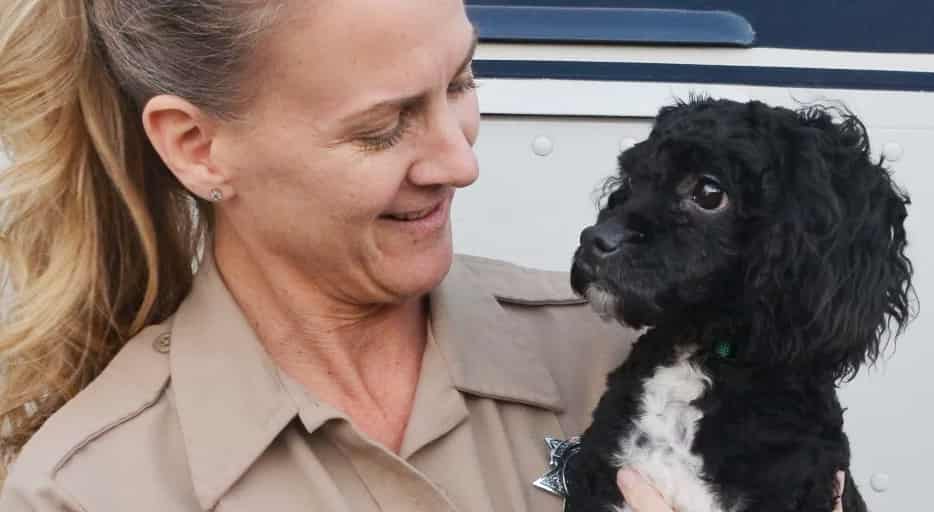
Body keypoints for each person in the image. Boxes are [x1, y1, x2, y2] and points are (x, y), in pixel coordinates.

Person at [0, 1, 844, 511]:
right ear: (197, 147)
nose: (460, 161)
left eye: (461, 82)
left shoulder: (625, 346)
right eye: (382, 126)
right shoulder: (91, 486)